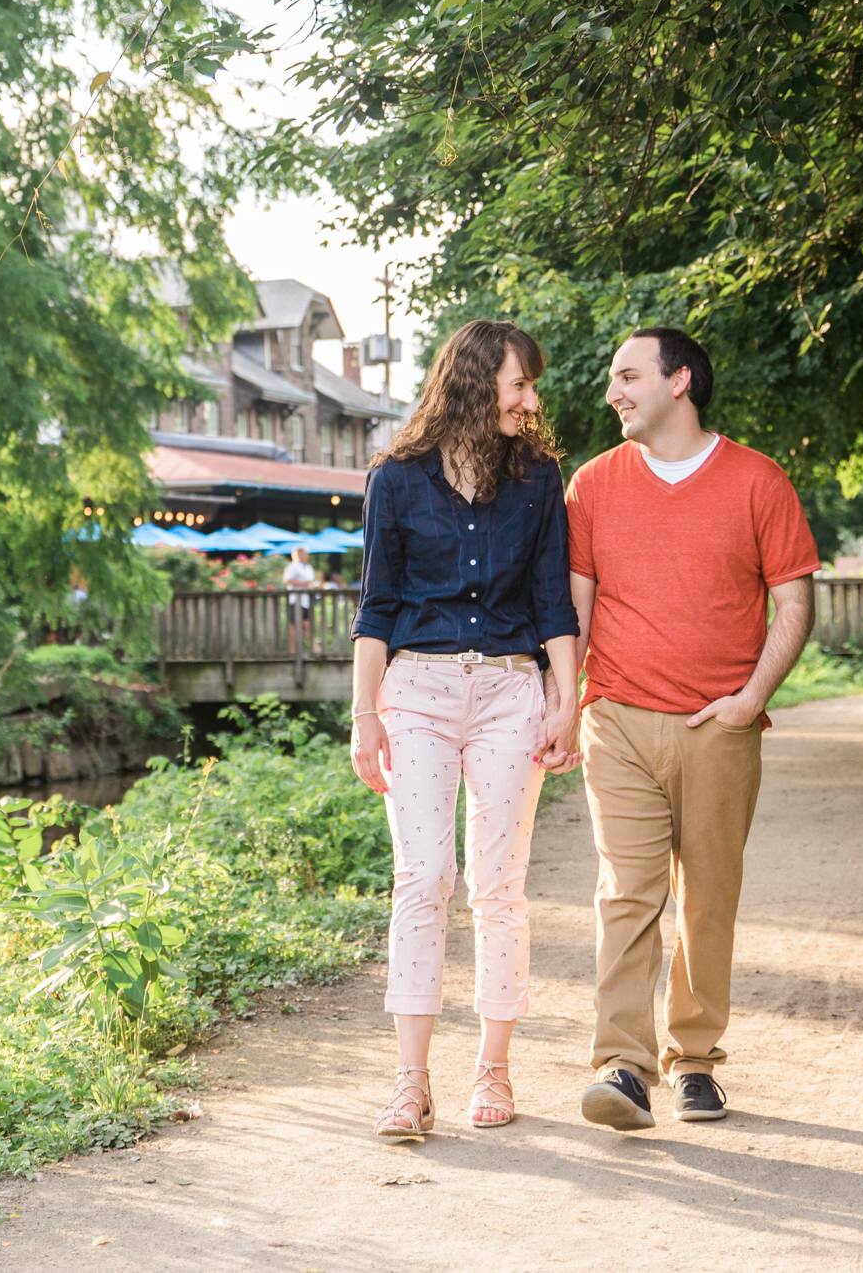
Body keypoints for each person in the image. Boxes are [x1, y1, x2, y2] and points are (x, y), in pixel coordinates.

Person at [566, 327, 819, 1131]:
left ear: (680, 381)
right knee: (627, 894)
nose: (613, 391)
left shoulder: (757, 480)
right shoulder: (593, 484)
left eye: (628, 375)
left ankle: (696, 1060)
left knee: (708, 896)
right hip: (619, 717)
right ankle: (623, 1064)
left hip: (720, 724)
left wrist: (749, 699)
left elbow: (796, 603)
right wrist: (563, 701)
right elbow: (575, 607)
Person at [350, 320, 583, 1140]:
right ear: (479, 380)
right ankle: (410, 1084)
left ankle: (494, 1066)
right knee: (422, 875)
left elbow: (554, 599)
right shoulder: (397, 478)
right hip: (415, 690)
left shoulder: (539, 478)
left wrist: (566, 700)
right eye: (520, 383)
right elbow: (375, 607)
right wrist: (364, 715)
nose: (531, 399)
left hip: (512, 691)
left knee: (498, 885)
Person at [283, 544, 319, 653]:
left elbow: (311, 582)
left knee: (306, 624)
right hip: (295, 600)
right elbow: (287, 580)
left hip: (306, 600)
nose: (305, 556)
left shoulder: (308, 567)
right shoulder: (292, 566)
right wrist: (303, 584)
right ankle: (293, 651)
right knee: (294, 625)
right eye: (302, 554)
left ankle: (313, 648)